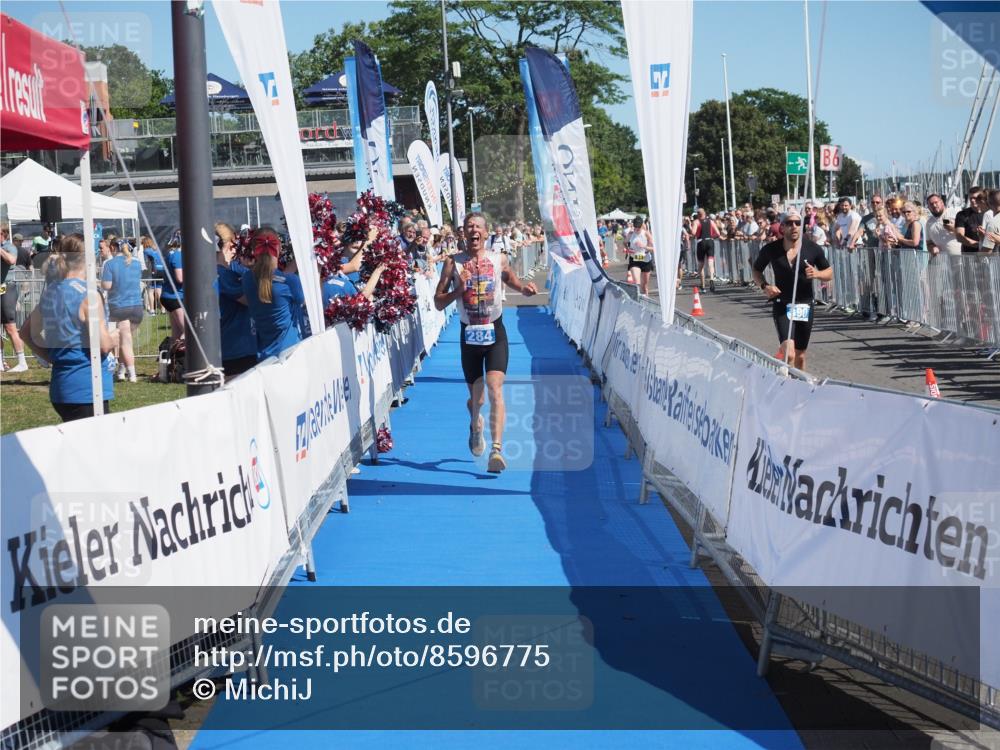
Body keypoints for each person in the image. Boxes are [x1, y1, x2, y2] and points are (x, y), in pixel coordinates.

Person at [433, 212, 537, 474]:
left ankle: (497, 450)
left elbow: (510, 278)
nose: (473, 230)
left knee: (495, 388)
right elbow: (438, 302)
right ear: (463, 234)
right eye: (469, 227)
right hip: (469, 334)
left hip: (495, 333)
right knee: (476, 400)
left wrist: (523, 289)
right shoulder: (452, 263)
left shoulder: (497, 258)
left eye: (478, 226)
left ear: (486, 232)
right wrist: (460, 289)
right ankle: (475, 423)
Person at [19, 233, 118, 421]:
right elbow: (104, 344)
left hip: (61, 386)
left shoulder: (51, 292)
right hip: (87, 389)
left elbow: (25, 333)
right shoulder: (88, 295)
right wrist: (116, 337)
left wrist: (52, 357)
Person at [751, 209, 832, 372]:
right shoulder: (771, 249)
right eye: (789, 223)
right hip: (782, 304)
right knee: (789, 354)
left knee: (800, 355)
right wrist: (765, 286)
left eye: (797, 223)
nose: (794, 226)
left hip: (805, 305)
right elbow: (756, 270)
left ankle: (799, 387)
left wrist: (817, 274)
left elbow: (829, 273)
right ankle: (784, 382)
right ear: (782, 227)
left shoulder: (813, 249)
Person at [242, 228, 305, 360]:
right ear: (279, 248)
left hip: (264, 356)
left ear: (254, 250)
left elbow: (269, 278)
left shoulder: (247, 279)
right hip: (290, 353)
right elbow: (304, 301)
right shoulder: (290, 281)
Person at [214, 223, 257, 378]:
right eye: (235, 247)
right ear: (227, 246)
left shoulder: (230, 269)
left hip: (241, 346)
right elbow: (250, 300)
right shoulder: (222, 275)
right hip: (236, 348)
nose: (236, 252)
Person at [100, 236, 144, 382]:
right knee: (127, 339)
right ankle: (121, 371)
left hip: (120, 306)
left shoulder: (109, 264)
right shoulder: (136, 263)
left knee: (125, 342)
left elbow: (107, 286)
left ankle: (132, 375)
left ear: (112, 248)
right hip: (137, 307)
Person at [1, 225, 29, 372]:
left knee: (9, 326)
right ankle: (1, 361)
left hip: (8, 288)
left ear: (3, 234)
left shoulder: (10, 247)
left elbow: (11, 260)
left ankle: (22, 361)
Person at [160, 231, 185, 347]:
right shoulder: (178, 255)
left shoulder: (170, 254)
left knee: (176, 334)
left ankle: (172, 362)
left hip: (169, 296)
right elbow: (180, 278)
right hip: (175, 297)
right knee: (188, 332)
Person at [624, 216, 654, 295]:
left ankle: (646, 301)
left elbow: (653, 249)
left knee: (644, 286)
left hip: (645, 260)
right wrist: (628, 249)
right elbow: (624, 242)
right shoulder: (631, 233)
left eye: (638, 227)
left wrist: (643, 246)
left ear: (641, 225)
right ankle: (639, 302)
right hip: (634, 260)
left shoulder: (646, 234)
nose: (637, 229)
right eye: (635, 227)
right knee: (637, 283)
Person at [691, 208, 719, 291]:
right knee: (710, 262)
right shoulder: (711, 221)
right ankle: (711, 279)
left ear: (698, 214)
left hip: (701, 242)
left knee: (701, 264)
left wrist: (691, 229)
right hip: (710, 241)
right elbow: (718, 233)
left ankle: (703, 285)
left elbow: (693, 233)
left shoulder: (696, 222)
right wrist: (711, 237)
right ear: (705, 213)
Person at [141, 236, 165, 313]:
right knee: (159, 290)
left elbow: (147, 262)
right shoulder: (157, 250)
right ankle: (163, 309)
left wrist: (149, 270)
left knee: (150, 291)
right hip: (161, 270)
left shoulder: (146, 251)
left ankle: (152, 310)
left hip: (154, 271)